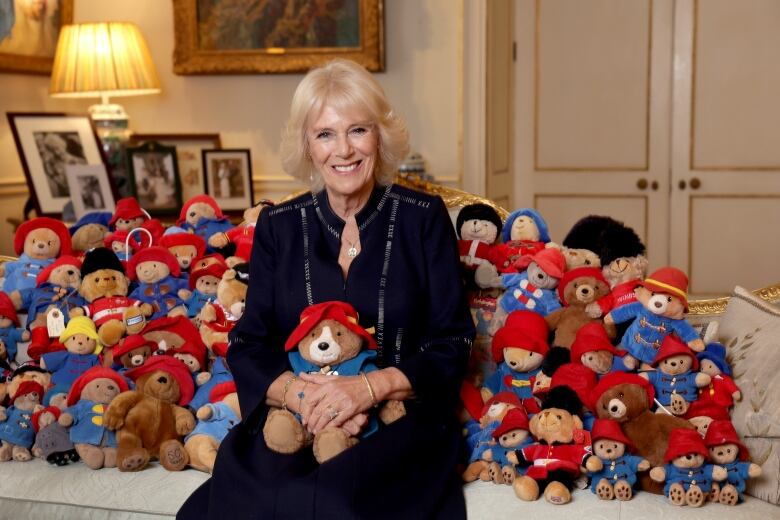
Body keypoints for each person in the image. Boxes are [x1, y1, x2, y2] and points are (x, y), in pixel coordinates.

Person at [178, 59, 475, 519]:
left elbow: (453, 342)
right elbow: (249, 343)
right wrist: (305, 398)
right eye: (325, 134)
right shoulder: (278, 226)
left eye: (358, 130)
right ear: (307, 146)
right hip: (297, 417)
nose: (344, 150)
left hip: (400, 421)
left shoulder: (421, 218)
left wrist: (368, 389)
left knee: (330, 502)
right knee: (232, 508)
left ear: (380, 136)